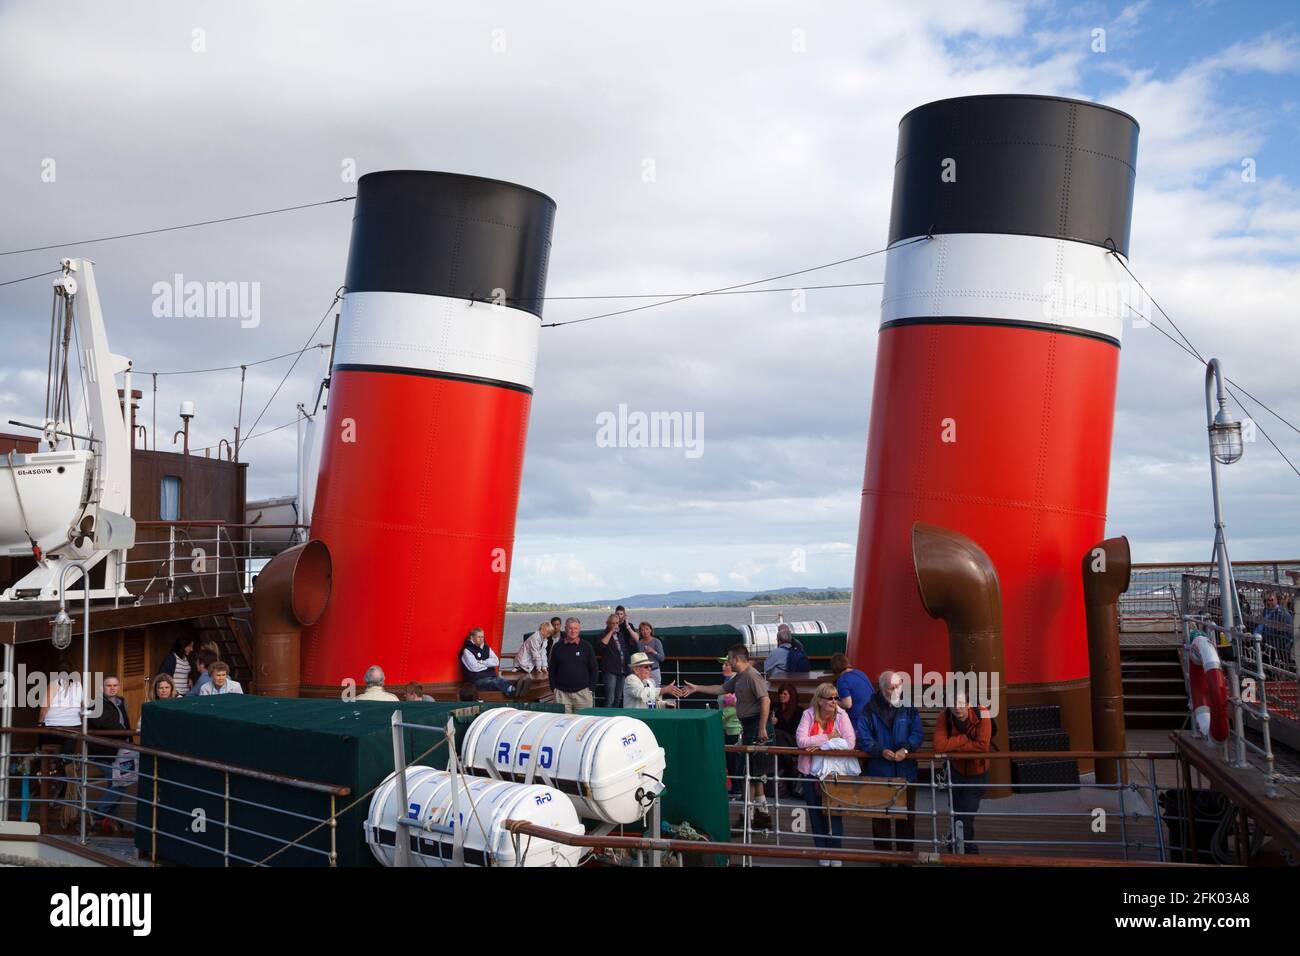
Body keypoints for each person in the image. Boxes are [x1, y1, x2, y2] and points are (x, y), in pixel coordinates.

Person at [684, 646, 772, 828]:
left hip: (756, 724)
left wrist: (762, 727)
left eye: (729, 659)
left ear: (736, 659)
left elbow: (765, 700)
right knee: (754, 772)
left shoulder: (751, 675)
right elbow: (720, 689)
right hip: (749, 725)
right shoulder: (740, 677)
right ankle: (762, 815)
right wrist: (697, 688)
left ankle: (747, 816)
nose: (727, 663)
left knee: (749, 772)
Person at [856, 669, 923, 851]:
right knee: (880, 819)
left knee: (907, 819)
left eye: (897, 686)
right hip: (879, 772)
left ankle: (905, 858)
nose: (894, 691)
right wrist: (880, 751)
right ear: (881, 687)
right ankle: (884, 858)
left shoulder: (909, 707)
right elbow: (863, 736)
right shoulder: (869, 708)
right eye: (890, 688)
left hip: (905, 772)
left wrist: (907, 748)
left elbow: (917, 734)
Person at [796, 682, 857, 863]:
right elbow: (801, 741)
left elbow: (850, 743)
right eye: (830, 698)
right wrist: (829, 736)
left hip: (834, 774)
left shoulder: (842, 715)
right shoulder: (807, 714)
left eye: (836, 698)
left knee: (835, 814)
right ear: (820, 700)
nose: (834, 701)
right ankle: (822, 853)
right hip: (810, 773)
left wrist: (819, 744)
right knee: (815, 814)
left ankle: (835, 853)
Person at [933, 693, 992, 854]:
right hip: (955, 772)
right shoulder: (944, 717)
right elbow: (939, 746)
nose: (957, 707)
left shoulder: (983, 713)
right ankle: (965, 848)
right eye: (953, 704)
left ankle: (958, 849)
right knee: (958, 811)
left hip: (978, 772)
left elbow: (982, 746)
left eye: (961, 703)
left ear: (968, 703)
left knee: (967, 811)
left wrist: (953, 748)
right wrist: (965, 738)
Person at [87, 675, 131, 835]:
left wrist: (130, 742)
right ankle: (98, 813)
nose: (112, 688)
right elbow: (107, 724)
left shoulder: (121, 702)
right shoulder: (96, 704)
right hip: (101, 752)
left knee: (118, 782)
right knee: (119, 783)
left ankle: (109, 819)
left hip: (118, 751)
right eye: (108, 685)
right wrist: (127, 734)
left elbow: (126, 724)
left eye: (115, 685)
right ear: (102, 688)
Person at [38, 662, 84, 800]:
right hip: (73, 726)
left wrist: (40, 723)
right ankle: (63, 785)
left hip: (53, 726)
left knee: (44, 753)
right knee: (67, 758)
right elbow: (82, 706)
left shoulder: (54, 683)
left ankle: (52, 777)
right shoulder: (78, 685)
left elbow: (44, 707)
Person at [460, 628, 531, 699]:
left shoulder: (486, 648)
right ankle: (514, 691)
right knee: (495, 683)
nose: (481, 639)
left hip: (491, 676)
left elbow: (496, 661)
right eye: (479, 637)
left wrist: (482, 662)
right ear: (472, 637)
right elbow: (475, 668)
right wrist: (488, 664)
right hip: (476, 680)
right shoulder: (467, 651)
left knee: (502, 680)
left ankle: (514, 689)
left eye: (482, 637)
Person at [548, 617, 598, 713]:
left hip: (583, 694)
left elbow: (594, 668)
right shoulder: (557, 647)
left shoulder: (586, 646)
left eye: (576, 628)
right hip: (561, 694)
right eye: (570, 628)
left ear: (579, 630)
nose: (573, 631)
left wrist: (591, 688)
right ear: (565, 629)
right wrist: (553, 688)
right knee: (562, 724)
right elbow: (552, 669)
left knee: (584, 723)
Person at [717, 659, 744, 797]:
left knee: (734, 761)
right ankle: (734, 788)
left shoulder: (737, 684)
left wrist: (716, 718)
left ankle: (737, 788)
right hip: (725, 728)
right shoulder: (727, 683)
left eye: (726, 664)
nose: (723, 666)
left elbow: (734, 709)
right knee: (729, 759)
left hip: (734, 728)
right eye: (723, 664)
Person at [771, 681, 802, 796]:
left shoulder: (798, 711)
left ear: (791, 695)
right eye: (780, 694)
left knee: (778, 733)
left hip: (793, 741)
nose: (781, 696)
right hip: (779, 744)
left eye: (785, 694)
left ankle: (787, 765)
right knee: (776, 735)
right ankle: (787, 766)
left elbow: (794, 729)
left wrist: (777, 725)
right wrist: (771, 723)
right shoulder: (775, 709)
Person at [830, 653, 874, 731]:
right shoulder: (860, 673)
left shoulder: (843, 680)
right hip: (872, 716)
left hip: (858, 721)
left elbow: (847, 705)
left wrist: (833, 701)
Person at [597, 614, 629, 707]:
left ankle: (615, 717)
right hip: (610, 671)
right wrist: (611, 632)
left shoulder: (620, 635)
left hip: (621, 670)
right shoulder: (602, 634)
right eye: (613, 623)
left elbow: (624, 651)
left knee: (618, 697)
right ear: (607, 623)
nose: (615, 625)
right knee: (610, 698)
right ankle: (607, 717)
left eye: (617, 623)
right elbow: (601, 646)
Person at [1254, 591, 1295, 657]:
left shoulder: (1284, 615)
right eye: (1265, 601)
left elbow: (1288, 637)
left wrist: (1271, 646)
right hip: (1261, 647)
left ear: (1277, 599)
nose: (1268, 602)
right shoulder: (1264, 612)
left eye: (1271, 600)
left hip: (1275, 652)